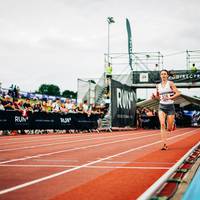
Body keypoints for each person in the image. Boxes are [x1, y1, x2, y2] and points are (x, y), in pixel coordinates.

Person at [152, 69, 180, 150]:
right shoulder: (158, 86)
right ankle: (164, 144)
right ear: (160, 76)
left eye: (165, 74)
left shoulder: (170, 83)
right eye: (162, 74)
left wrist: (170, 97)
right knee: (162, 125)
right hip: (161, 106)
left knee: (169, 129)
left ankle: (172, 124)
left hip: (170, 106)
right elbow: (158, 97)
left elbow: (178, 93)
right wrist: (154, 97)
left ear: (167, 75)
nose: (163, 75)